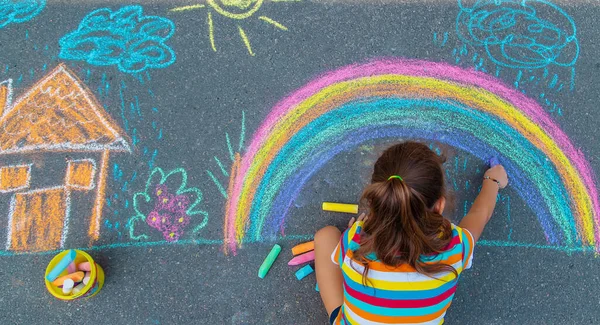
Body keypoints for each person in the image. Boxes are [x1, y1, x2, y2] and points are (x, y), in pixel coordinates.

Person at [314, 141, 508, 324]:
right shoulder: (456, 246)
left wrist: (357, 232)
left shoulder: (354, 240)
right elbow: (480, 214)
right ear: (440, 205)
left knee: (326, 236)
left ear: (378, 201)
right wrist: (492, 180)